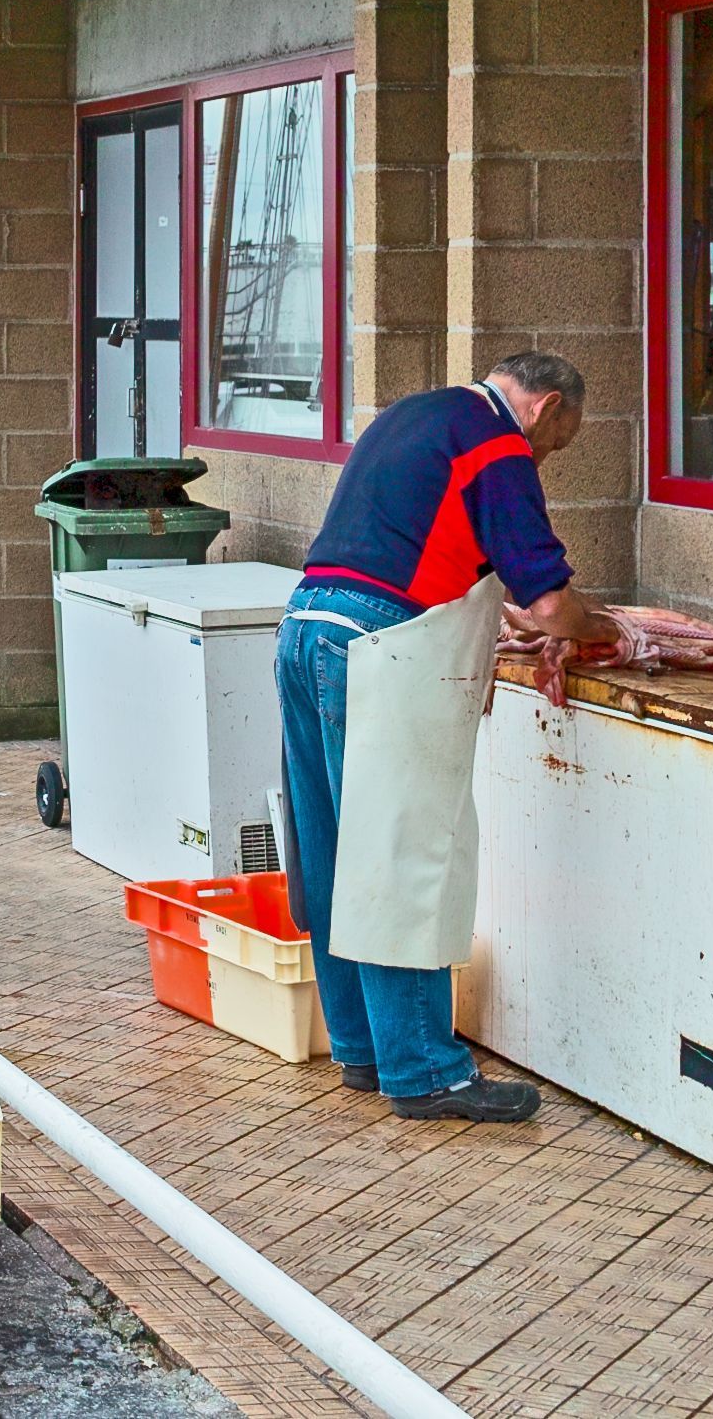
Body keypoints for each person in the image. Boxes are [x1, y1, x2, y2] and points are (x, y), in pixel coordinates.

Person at [275, 351, 624, 1122]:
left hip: (302, 630)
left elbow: (419, 545)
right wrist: (607, 630)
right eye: (556, 442)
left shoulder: (413, 415)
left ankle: (365, 1049)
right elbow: (547, 604)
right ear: (547, 406)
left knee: (334, 854)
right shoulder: (497, 443)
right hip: (378, 647)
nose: (544, 458)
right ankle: (426, 1072)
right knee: (404, 858)